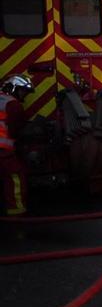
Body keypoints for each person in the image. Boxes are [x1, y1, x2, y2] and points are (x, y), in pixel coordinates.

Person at [0, 75, 33, 216]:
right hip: (3, 151)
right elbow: (15, 130)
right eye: (22, 91)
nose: (23, 95)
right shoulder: (13, 104)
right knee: (15, 176)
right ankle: (17, 211)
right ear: (13, 88)